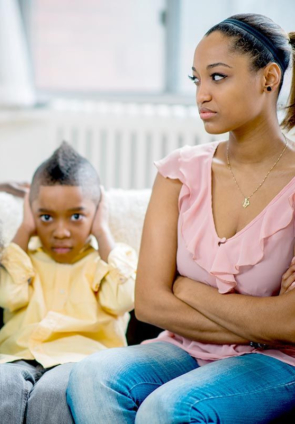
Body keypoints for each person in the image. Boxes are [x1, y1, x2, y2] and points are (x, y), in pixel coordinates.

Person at [66, 13, 295, 424]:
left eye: (218, 77)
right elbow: (149, 303)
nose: (202, 95)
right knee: (91, 375)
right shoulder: (179, 172)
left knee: (170, 407)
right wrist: (261, 323)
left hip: (277, 362)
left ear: (269, 78)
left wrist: (188, 289)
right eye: (196, 80)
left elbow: (290, 323)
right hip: (184, 347)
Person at [0, 142, 137, 424]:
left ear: (97, 213)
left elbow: (125, 298)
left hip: (79, 361)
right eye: (46, 217)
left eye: (76, 217)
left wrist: (103, 232)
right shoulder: (23, 258)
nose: (60, 232)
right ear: (31, 212)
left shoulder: (110, 260)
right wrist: (24, 229)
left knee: (53, 395)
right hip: (16, 358)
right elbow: (5, 294)